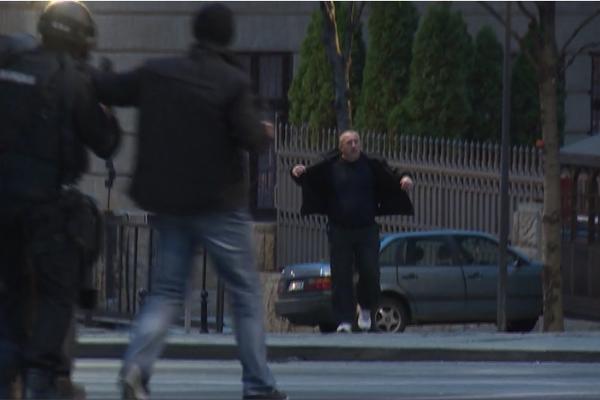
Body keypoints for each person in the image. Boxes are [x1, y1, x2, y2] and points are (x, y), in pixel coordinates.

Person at [92, 3, 287, 400]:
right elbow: (251, 139)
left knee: (165, 292)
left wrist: (93, 70)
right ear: (227, 36)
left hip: (171, 204)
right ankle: (258, 385)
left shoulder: (158, 72)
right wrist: (265, 132)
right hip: (220, 206)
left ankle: (135, 368)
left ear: (195, 33)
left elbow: (109, 88)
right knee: (246, 294)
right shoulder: (232, 82)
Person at [0, 1, 121, 398]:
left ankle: (8, 365)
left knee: (12, 286)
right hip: (45, 208)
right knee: (58, 290)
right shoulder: (73, 79)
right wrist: (106, 104)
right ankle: (40, 375)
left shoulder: (11, 62)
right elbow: (105, 141)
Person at [291, 130, 414, 333]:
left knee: (370, 271)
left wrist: (405, 179)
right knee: (341, 276)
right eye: (349, 142)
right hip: (340, 229)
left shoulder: (371, 165)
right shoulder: (330, 167)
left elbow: (392, 173)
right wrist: (297, 172)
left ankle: (365, 309)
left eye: (357, 142)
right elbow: (309, 177)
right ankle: (344, 320)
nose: (354, 146)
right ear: (341, 148)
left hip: (366, 229)